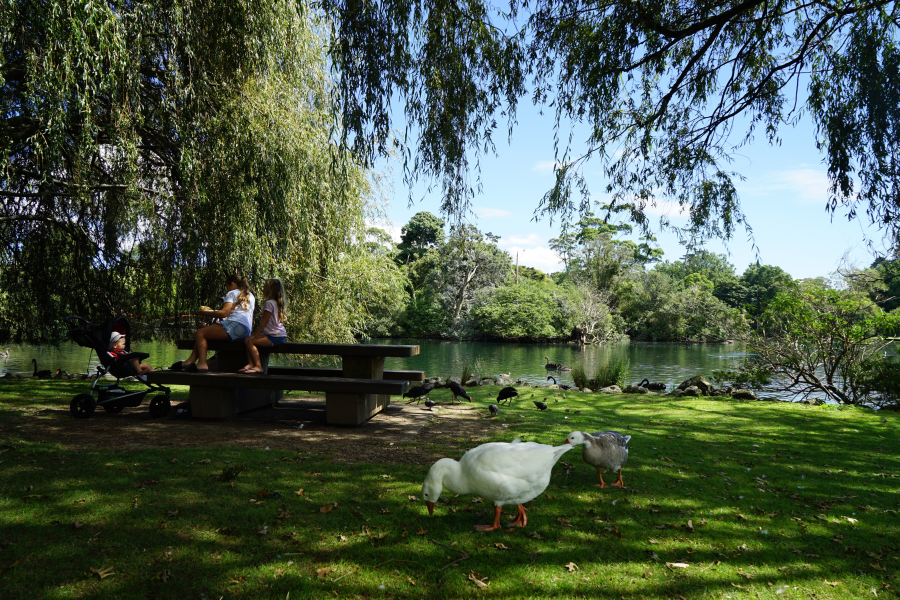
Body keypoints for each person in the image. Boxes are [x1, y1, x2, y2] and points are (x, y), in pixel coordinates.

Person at [172, 273, 255, 373]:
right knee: (205, 333)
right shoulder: (250, 295)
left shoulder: (232, 293)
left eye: (227, 286)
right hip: (245, 331)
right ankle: (190, 360)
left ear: (232, 284)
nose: (227, 289)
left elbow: (224, 313)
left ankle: (202, 363)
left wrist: (206, 313)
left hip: (234, 326)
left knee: (199, 333)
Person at [240, 278, 287, 374]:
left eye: (264, 288)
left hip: (274, 336)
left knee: (250, 342)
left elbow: (263, 323)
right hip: (279, 335)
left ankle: (258, 366)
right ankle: (250, 364)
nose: (262, 290)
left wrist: (254, 335)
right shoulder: (276, 303)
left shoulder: (269, 303)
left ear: (270, 290)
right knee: (248, 341)